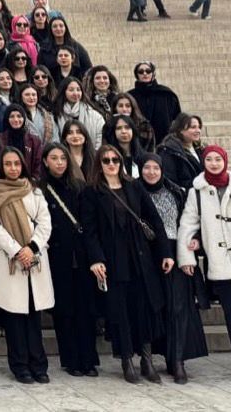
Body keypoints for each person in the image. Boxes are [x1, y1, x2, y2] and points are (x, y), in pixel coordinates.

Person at [82, 143, 172, 384]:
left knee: (144, 308)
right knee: (120, 311)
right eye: (106, 160)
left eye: (115, 160)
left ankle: (146, 360)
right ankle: (126, 360)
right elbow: (89, 231)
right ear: (99, 164)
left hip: (139, 257)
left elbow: (154, 219)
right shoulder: (92, 192)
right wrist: (96, 259)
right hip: (113, 259)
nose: (111, 164)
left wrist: (166, 252)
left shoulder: (134, 186)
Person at [177, 144, 231, 384]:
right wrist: (186, 257)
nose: (214, 163)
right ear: (203, 162)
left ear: (225, 161)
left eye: (218, 159)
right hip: (221, 265)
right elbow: (187, 225)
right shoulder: (197, 191)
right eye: (209, 160)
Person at [0, 147, 53, 383]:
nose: (13, 168)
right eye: (8, 164)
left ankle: (39, 365)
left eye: (16, 164)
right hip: (8, 259)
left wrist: (31, 247)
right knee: (14, 316)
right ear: (1, 166)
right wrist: (16, 250)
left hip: (34, 257)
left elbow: (45, 222)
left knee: (33, 314)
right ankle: (20, 366)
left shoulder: (33, 190)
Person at [137, 153, 206, 383]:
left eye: (156, 168)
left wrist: (193, 244)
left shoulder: (176, 191)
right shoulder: (135, 191)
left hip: (176, 252)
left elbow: (190, 223)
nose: (152, 172)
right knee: (150, 307)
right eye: (147, 167)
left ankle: (177, 360)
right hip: (147, 254)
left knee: (178, 308)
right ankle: (146, 360)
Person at [38, 142, 99, 377]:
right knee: (64, 310)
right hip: (56, 255)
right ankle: (71, 359)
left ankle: (88, 359)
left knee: (85, 308)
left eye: (63, 158)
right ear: (45, 161)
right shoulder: (40, 189)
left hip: (81, 255)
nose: (59, 163)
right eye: (54, 158)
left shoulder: (80, 186)